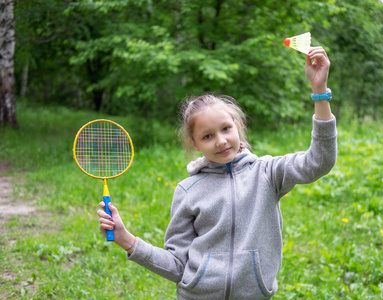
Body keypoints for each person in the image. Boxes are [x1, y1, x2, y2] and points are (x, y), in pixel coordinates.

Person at [97, 46, 337, 299]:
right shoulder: (188, 191)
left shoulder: (267, 173)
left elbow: (319, 161)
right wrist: (127, 239)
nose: (221, 141)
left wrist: (319, 91)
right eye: (208, 136)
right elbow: (177, 265)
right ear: (194, 143)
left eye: (225, 129)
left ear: (237, 126)